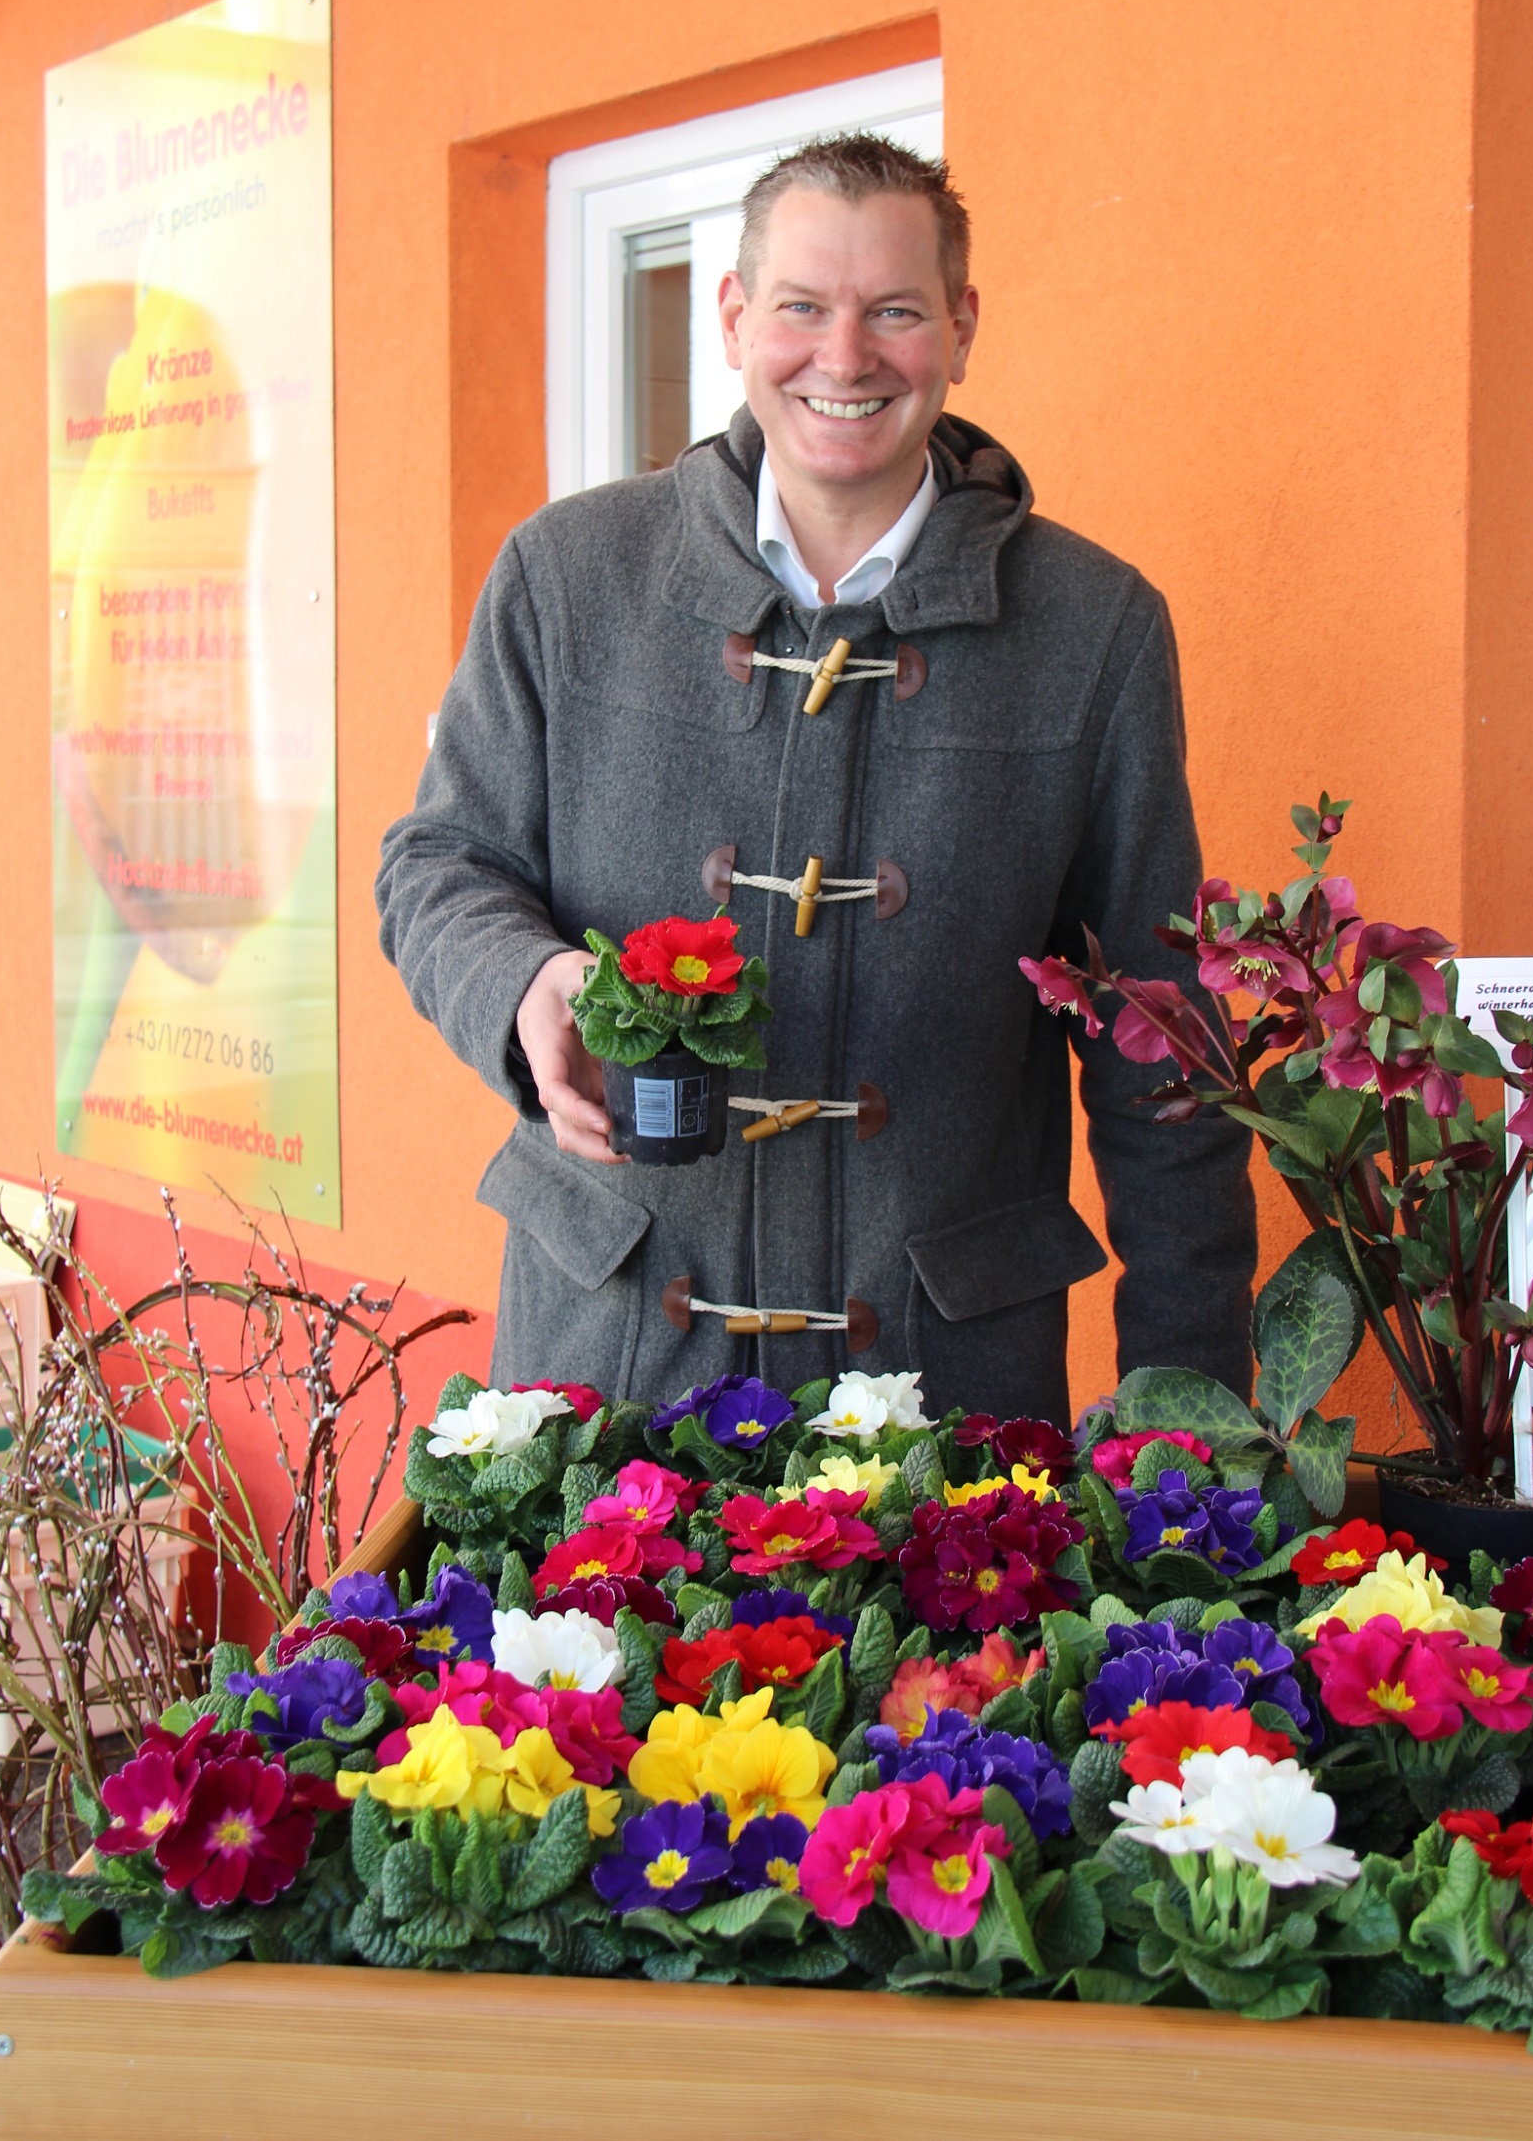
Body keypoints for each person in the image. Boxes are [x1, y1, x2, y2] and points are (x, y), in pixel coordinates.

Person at [376, 135, 1255, 1423]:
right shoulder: (566, 577)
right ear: (734, 319)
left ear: (961, 326)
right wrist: (522, 982)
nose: (844, 358)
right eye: (801, 307)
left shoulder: (1095, 628)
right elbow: (438, 863)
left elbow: (1160, 1037)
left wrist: (1190, 1419)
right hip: (613, 1353)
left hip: (943, 1381)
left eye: (895, 311)